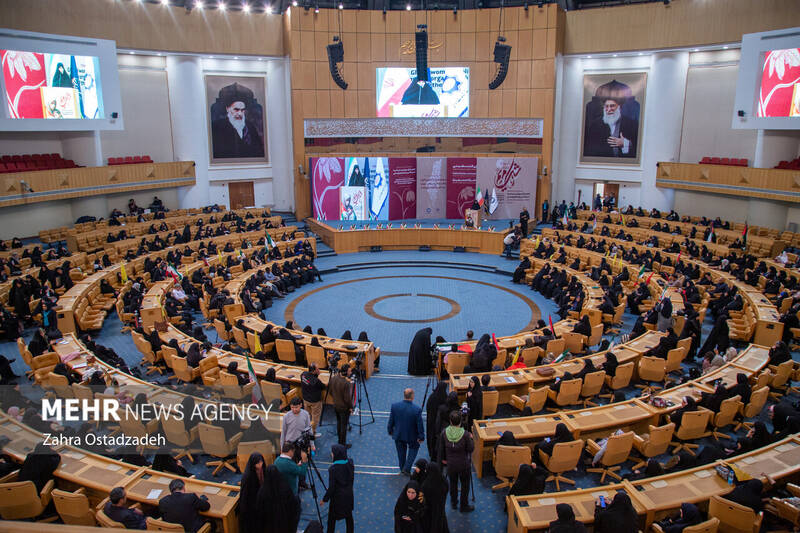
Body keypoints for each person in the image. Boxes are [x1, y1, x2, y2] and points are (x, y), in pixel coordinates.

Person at [211, 83, 264, 159]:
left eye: (242, 110)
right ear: (228, 109)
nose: (240, 113)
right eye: (236, 109)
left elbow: (259, 152)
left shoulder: (250, 127)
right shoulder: (217, 127)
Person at [437, 410, 475, 513]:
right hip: (463, 465)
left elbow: (441, 449)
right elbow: (470, 449)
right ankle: (464, 505)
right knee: (465, 485)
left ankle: (454, 503)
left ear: (450, 421)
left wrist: (443, 460)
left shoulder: (444, 433)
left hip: (451, 465)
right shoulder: (466, 435)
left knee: (453, 484)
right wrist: (471, 439)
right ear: (460, 422)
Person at [388, 388, 425, 475]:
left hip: (399, 434)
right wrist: (421, 436)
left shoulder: (395, 406)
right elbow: (419, 425)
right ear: (412, 396)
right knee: (414, 448)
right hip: (412, 435)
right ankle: (407, 469)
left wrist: (390, 430)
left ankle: (402, 469)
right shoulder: (417, 409)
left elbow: (391, 421)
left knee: (401, 453)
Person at [321, 444, 355, 533]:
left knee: (331, 520)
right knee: (349, 517)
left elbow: (331, 488)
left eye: (332, 453)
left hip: (337, 498)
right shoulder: (350, 463)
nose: (331, 455)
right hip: (348, 496)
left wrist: (325, 499)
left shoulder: (333, 469)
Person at [258, 464, 301, 533]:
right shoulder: (285, 488)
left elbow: (260, 511)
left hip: (269, 526)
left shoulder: (263, 491)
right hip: (285, 524)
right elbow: (293, 507)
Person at [239, 453, 265, 533]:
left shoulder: (263, 469)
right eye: (258, 463)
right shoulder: (248, 477)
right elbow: (245, 495)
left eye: (261, 462)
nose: (260, 464)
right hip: (251, 503)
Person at [329, 364, 354, 447]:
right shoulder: (346, 383)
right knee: (343, 426)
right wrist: (351, 407)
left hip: (336, 405)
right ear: (346, 372)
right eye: (350, 371)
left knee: (339, 423)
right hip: (344, 408)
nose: (351, 372)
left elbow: (330, 392)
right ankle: (342, 444)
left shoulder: (333, 378)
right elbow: (347, 399)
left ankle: (340, 441)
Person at [421, 462, 449, 533]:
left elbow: (424, 498)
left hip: (430, 510)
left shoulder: (426, 484)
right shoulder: (444, 480)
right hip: (441, 508)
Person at [426, 381, 449, 462]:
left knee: (431, 437)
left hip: (431, 421)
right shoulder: (444, 397)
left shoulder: (431, 397)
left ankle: (432, 453)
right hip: (438, 422)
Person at [301, 362, 325, 437]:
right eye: (318, 369)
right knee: (315, 419)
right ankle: (312, 433)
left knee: (306, 416)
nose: (319, 370)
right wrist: (317, 375)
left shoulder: (303, 375)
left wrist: (316, 375)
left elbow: (309, 380)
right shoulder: (316, 381)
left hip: (305, 399)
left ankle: (306, 430)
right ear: (314, 371)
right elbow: (323, 387)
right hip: (315, 402)